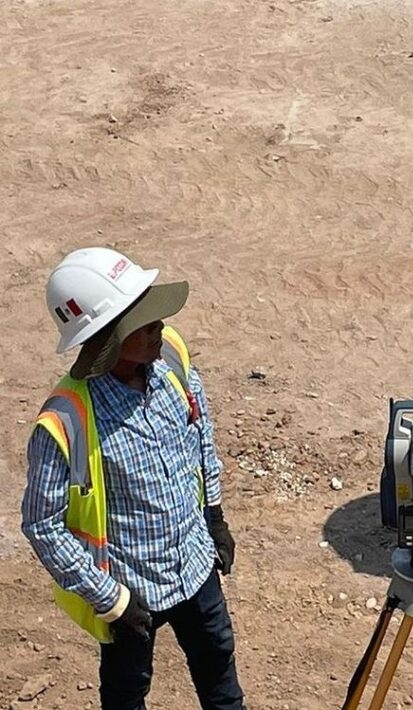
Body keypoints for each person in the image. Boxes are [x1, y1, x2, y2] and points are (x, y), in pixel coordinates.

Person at [21, 247, 246, 710]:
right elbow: (42, 523)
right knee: (126, 695)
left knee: (219, 669)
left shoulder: (173, 364)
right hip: (130, 588)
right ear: (106, 337)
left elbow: (201, 436)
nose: (160, 327)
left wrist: (215, 514)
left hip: (194, 562)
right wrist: (109, 600)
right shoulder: (68, 419)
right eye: (144, 323)